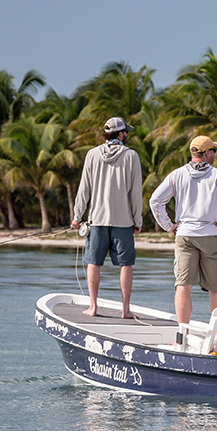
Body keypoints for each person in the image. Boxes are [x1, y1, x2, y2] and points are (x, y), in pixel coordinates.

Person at [148, 134, 217, 332]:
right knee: (216, 288)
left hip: (185, 235)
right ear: (207, 153)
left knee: (183, 285)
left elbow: (155, 201)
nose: (214, 154)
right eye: (213, 151)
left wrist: (169, 226)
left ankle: (183, 333)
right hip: (211, 235)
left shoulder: (177, 175)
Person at [71, 117, 143, 319]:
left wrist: (77, 217)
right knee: (125, 264)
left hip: (97, 220)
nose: (127, 135)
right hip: (123, 221)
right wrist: (138, 220)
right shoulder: (132, 156)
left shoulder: (92, 154)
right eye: (125, 132)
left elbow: (83, 189)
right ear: (120, 134)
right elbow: (135, 192)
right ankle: (125, 310)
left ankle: (93, 307)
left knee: (94, 262)